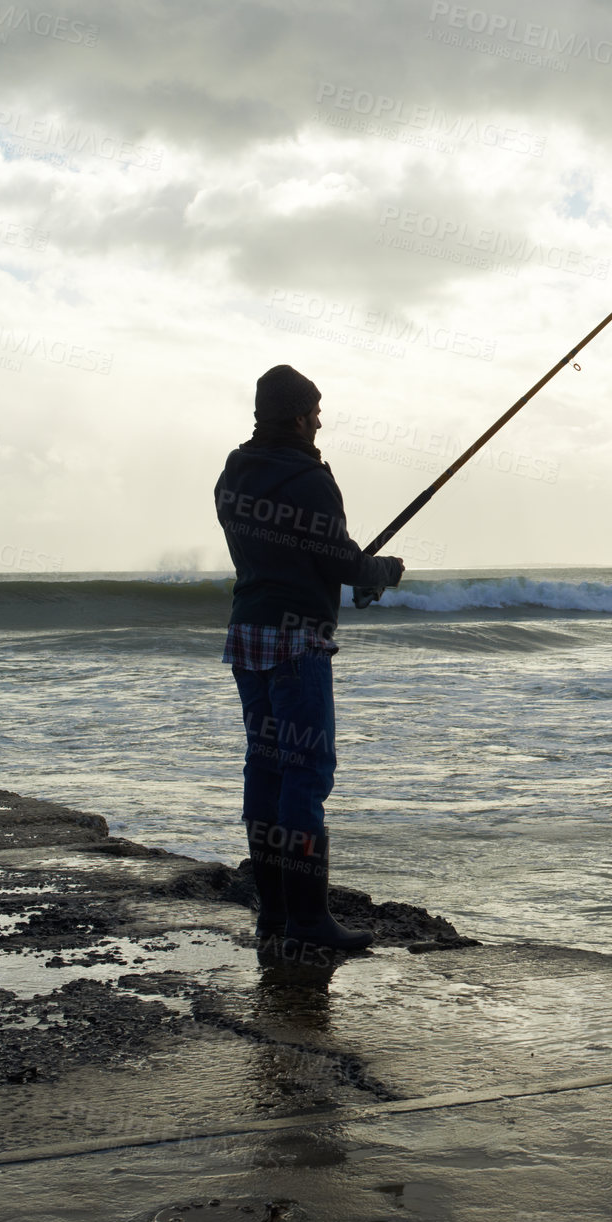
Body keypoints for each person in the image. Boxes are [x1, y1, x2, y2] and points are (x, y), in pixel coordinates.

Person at [214, 365, 404, 951]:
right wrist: (384, 572)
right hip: (297, 642)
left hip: (249, 635)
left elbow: (286, 553)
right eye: (316, 412)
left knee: (266, 768)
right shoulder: (310, 477)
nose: (320, 421)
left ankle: (273, 915)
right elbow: (340, 561)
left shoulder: (233, 473)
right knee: (305, 774)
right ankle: (309, 920)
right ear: (298, 416)